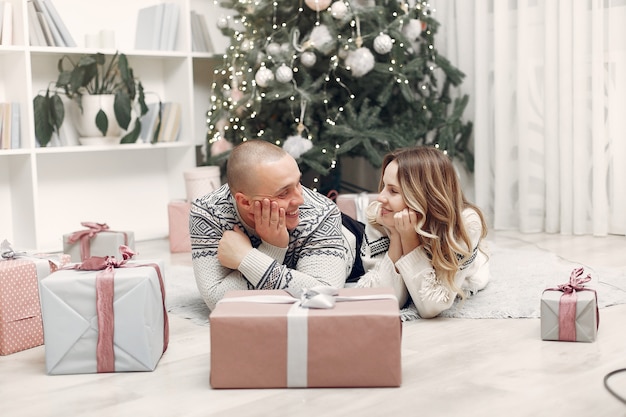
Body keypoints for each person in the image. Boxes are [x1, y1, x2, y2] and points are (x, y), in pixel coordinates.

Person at [189, 140, 356, 311]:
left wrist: (248, 257)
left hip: (352, 241)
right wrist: (271, 249)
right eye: (283, 193)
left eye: (298, 183)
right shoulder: (207, 213)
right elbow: (217, 302)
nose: (300, 199)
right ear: (245, 202)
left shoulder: (323, 212)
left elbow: (321, 296)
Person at [356, 146, 491, 318]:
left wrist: (410, 239)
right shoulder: (380, 216)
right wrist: (397, 235)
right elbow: (384, 298)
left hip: (466, 275)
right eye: (383, 186)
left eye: (393, 191)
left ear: (423, 195)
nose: (380, 197)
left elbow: (431, 307)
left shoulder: (465, 225)